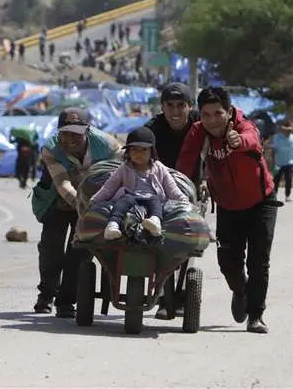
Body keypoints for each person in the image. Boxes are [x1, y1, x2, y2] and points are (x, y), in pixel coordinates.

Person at [177, 86, 278, 334]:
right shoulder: (198, 131)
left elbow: (253, 141)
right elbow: (186, 162)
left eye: (218, 113)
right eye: (206, 114)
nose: (212, 120)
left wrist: (239, 141)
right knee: (228, 263)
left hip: (260, 202)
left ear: (229, 111)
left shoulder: (244, 126)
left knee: (259, 261)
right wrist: (177, 188)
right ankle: (240, 289)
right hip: (227, 205)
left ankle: (256, 315)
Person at [33, 108, 122, 317]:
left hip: (94, 201)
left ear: (87, 131)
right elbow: (62, 183)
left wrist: (94, 206)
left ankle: (66, 301)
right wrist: (80, 204)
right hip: (59, 201)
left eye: (76, 133)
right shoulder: (50, 149)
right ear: (58, 132)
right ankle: (46, 294)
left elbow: (118, 176)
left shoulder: (110, 147)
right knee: (50, 249)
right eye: (65, 133)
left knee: (81, 251)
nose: (70, 139)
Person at [143, 82, 201, 319]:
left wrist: (206, 180)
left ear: (190, 106)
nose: (175, 112)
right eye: (170, 106)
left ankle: (173, 296)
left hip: (190, 191)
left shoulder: (200, 124)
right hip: (157, 192)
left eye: (181, 106)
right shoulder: (153, 129)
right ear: (162, 107)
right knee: (157, 242)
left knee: (183, 244)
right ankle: (163, 297)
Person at [90, 127, 188, 241]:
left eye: (144, 150)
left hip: (151, 198)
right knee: (122, 202)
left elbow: (172, 189)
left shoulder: (159, 168)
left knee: (156, 201)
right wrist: (94, 200)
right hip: (130, 196)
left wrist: (184, 201)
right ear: (128, 152)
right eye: (134, 149)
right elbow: (109, 187)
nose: (139, 153)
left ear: (152, 151)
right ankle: (113, 225)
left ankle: (155, 222)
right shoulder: (124, 168)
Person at [271, 120, 293, 202]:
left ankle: (288, 195)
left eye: (290, 130)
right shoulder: (276, 137)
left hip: (289, 163)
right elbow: (273, 150)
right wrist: (273, 162)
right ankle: (274, 196)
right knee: (275, 180)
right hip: (278, 163)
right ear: (283, 130)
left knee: (289, 180)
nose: (289, 131)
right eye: (287, 130)